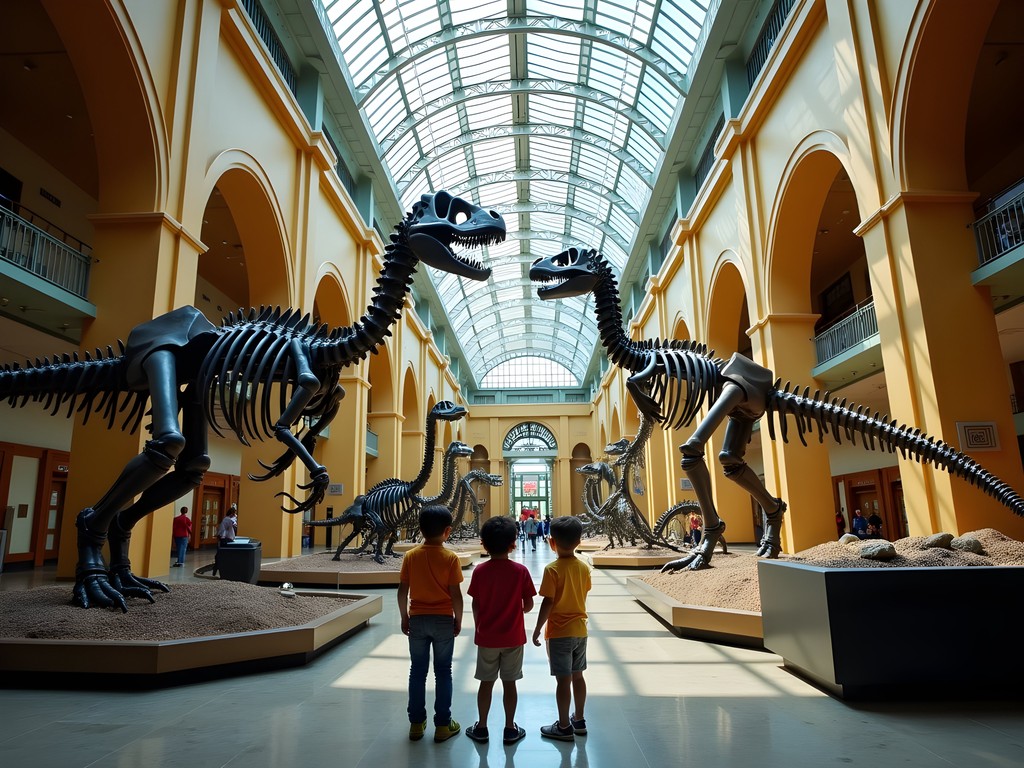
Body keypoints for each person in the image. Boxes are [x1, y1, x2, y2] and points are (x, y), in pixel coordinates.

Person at [465, 516, 536, 745]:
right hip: (513, 637)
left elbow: (475, 603)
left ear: (483, 544)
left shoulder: (480, 571)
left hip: (487, 637)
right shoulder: (520, 571)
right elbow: (530, 604)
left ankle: (482, 727)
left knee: (486, 683)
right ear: (513, 543)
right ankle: (509, 728)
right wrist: (519, 611)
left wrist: (480, 623)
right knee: (510, 683)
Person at [398, 505, 464, 744]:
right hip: (443, 620)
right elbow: (456, 594)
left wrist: (404, 616)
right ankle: (443, 725)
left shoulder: (411, 556)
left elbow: (402, 590)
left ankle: (416, 724)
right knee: (443, 672)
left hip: (417, 618)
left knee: (417, 671)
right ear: (447, 531)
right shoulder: (450, 558)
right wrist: (459, 618)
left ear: (421, 529)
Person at [533, 516, 592, 742]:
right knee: (578, 676)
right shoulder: (584, 568)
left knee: (563, 680)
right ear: (579, 541)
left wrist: (538, 628)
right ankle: (579, 718)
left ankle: (564, 726)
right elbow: (583, 594)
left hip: (559, 632)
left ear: (551, 542)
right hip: (580, 631)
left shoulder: (552, 570)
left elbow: (548, 602)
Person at [211, 504, 238, 577]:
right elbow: (224, 529)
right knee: (221, 554)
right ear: (232, 514)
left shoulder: (227, 519)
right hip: (226, 539)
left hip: (225, 538)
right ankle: (217, 568)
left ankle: (216, 568)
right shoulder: (228, 520)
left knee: (219, 554)